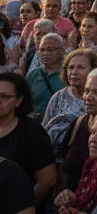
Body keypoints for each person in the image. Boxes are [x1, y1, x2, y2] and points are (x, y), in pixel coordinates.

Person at [0, 72, 57, 214]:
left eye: (5, 97)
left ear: (19, 100)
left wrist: (21, 205)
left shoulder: (31, 132)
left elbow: (47, 180)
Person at [42, 48, 97, 158]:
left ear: (94, 70)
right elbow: (45, 130)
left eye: (81, 68)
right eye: (71, 67)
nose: (74, 72)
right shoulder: (58, 97)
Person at [27, 33, 67, 116]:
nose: (45, 53)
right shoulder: (32, 75)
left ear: (62, 51)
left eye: (51, 49)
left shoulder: (69, 74)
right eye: (42, 49)